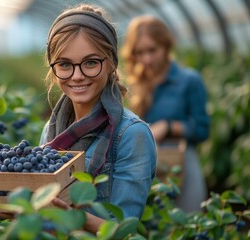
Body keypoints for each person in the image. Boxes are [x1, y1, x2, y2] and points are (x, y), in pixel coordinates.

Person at [37, 4, 157, 233]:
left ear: (111, 62)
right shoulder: (51, 130)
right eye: (65, 65)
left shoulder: (132, 134)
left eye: (91, 62)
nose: (78, 76)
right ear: (53, 68)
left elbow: (123, 230)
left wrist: (73, 217)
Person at [120, 15, 210, 213]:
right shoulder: (132, 85)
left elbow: (202, 129)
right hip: (139, 165)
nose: (147, 59)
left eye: (152, 50)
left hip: (180, 162)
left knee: (185, 221)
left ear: (166, 46)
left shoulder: (188, 81)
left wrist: (168, 127)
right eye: (139, 52)